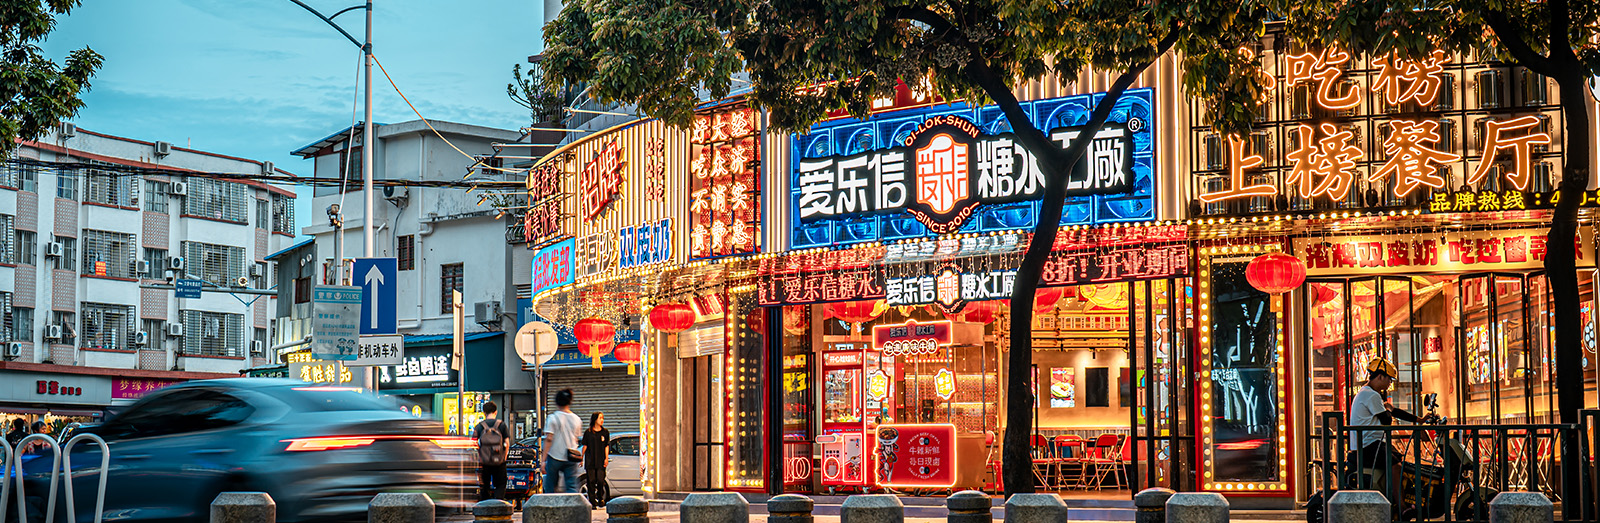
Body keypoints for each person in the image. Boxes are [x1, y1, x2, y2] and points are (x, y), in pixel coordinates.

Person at [1348, 358, 1420, 494]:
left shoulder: (1366, 392)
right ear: (1380, 376)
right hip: (1368, 446)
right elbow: (1386, 420)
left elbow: (1391, 411)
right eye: (1389, 379)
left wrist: (1418, 420)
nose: (1390, 383)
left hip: (1371, 444)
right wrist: (1389, 409)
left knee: (1400, 458)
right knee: (1396, 466)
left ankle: (1391, 494)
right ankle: (1401, 503)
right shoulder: (1371, 395)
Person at [542, 389, 582, 494]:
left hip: (554, 456)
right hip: (571, 457)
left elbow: (549, 439)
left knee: (551, 487)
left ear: (557, 402)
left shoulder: (552, 418)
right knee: (572, 486)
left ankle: (551, 504)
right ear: (570, 401)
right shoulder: (577, 419)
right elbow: (576, 438)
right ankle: (571, 504)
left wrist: (543, 460)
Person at [471, 401, 511, 501]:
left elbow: (473, 443)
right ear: (496, 412)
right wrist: (504, 457)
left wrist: (479, 456)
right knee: (501, 484)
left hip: (484, 462)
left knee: (485, 486)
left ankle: (485, 505)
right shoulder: (501, 425)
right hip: (499, 461)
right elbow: (507, 443)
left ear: (484, 413)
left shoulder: (479, 426)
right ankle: (498, 502)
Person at [580, 412, 611, 508]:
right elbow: (585, 446)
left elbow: (606, 446)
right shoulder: (588, 432)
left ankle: (600, 497)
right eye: (600, 418)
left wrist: (606, 458)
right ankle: (592, 501)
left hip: (600, 460)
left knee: (600, 480)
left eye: (603, 418)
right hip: (590, 460)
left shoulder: (605, 432)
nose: (602, 420)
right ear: (595, 419)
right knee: (591, 481)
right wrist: (581, 458)